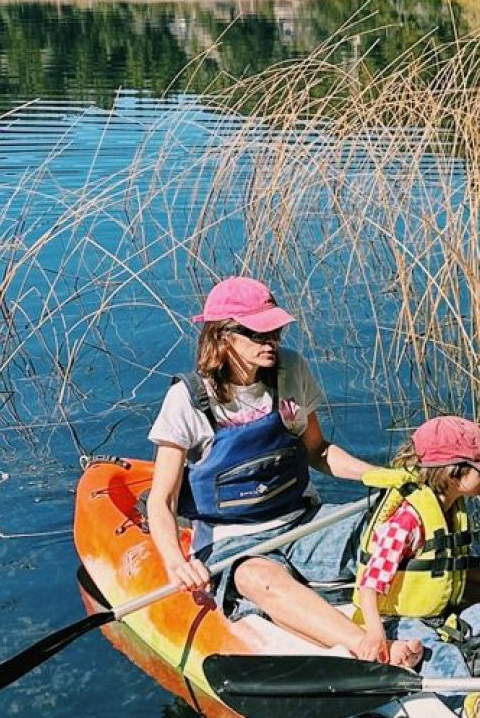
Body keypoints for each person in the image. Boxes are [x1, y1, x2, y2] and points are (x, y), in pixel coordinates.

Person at [146, 275, 419, 664]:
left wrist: (376, 475)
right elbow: (163, 498)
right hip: (233, 543)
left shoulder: (291, 370)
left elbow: (318, 451)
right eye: (259, 334)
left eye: (274, 330)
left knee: (393, 526)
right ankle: (368, 647)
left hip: (302, 521)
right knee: (260, 579)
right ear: (223, 337)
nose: (271, 341)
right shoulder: (187, 399)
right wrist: (176, 561)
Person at [352, 415, 480, 676]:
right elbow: (370, 583)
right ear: (453, 472)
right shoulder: (407, 521)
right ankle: (469, 702)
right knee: (441, 656)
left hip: (443, 615)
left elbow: (447, 566)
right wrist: (375, 633)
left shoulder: (449, 509)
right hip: (402, 621)